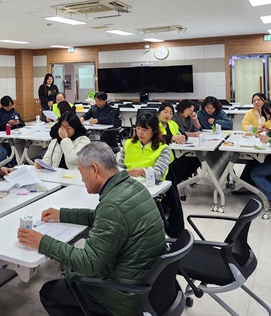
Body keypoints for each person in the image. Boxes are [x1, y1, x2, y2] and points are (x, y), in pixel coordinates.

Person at [18, 142, 166, 316]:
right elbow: (101, 216)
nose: (81, 178)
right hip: (149, 284)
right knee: (72, 273)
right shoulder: (132, 186)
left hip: (126, 295)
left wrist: (42, 242)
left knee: (50, 293)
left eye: (81, 172)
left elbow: (90, 263)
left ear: (94, 170)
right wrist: (63, 214)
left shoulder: (112, 205)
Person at [233, 94, 271, 194]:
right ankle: (246, 184)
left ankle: (247, 185)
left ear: (265, 100)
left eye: (258, 100)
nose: (256, 102)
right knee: (253, 157)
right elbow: (244, 126)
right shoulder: (250, 112)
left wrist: (264, 130)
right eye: (254, 101)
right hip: (256, 139)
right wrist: (257, 129)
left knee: (255, 159)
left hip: (267, 141)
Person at [118, 112, 171, 182]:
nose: (140, 132)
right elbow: (120, 168)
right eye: (138, 128)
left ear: (154, 130)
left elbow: (159, 174)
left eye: (144, 130)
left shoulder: (163, 149)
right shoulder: (128, 144)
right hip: (128, 183)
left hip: (151, 185)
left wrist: (143, 172)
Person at [158, 102, 201, 183]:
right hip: (162, 154)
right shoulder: (153, 123)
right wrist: (172, 138)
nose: (168, 115)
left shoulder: (172, 123)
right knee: (180, 166)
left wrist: (182, 138)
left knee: (197, 158)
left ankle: (180, 180)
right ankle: (175, 182)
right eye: (165, 112)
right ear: (159, 112)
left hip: (177, 152)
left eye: (170, 113)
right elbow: (154, 137)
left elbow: (184, 134)